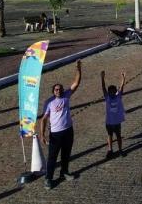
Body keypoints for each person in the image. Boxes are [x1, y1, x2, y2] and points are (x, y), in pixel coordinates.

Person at [40, 60, 82, 190]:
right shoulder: (49, 102)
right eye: (56, 89)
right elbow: (44, 119)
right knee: (52, 157)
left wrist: (78, 69)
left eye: (60, 89)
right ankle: (48, 178)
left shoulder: (66, 96)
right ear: (53, 91)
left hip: (68, 131)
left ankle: (64, 172)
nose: (58, 91)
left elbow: (76, 83)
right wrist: (42, 134)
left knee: (66, 154)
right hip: (55, 134)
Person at [101, 70, 126, 159]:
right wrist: (102, 78)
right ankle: (110, 150)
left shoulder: (118, 96)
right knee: (110, 136)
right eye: (110, 92)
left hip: (117, 122)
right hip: (109, 122)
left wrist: (123, 78)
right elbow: (103, 87)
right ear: (108, 92)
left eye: (113, 91)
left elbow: (122, 87)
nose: (111, 93)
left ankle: (120, 150)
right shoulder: (107, 98)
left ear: (115, 91)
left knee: (118, 136)